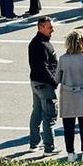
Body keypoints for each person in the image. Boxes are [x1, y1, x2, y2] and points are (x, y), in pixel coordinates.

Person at [57, 29, 83, 163]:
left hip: (68, 94)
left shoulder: (63, 59)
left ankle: (70, 153)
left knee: (68, 126)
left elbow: (57, 77)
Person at [27, 16, 58, 155]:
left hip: (36, 83)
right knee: (49, 116)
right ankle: (49, 147)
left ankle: (34, 143)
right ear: (40, 28)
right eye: (50, 27)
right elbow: (44, 68)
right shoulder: (41, 44)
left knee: (37, 113)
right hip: (45, 85)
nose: (53, 30)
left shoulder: (38, 42)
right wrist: (54, 81)